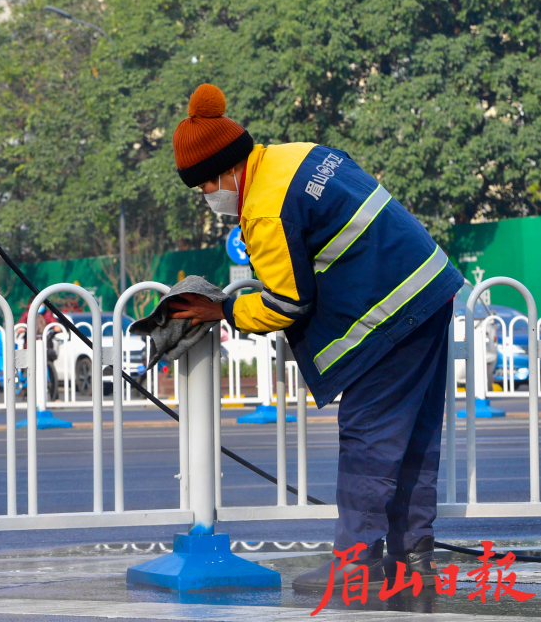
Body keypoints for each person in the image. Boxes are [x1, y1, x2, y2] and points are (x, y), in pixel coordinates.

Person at [166, 84, 464, 591]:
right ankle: (415, 555)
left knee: (369, 436)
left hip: (392, 311)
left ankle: (358, 564)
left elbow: (287, 304)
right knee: (413, 437)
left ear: (222, 173)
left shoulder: (263, 207)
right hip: (430, 287)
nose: (208, 201)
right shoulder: (299, 155)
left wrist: (222, 309)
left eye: (204, 190)